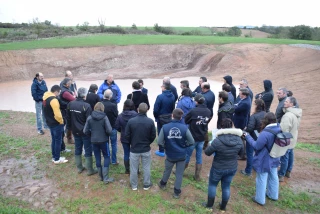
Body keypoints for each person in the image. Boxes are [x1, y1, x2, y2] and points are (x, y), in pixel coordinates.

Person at [203, 118, 244, 211]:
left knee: (212, 185)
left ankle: (209, 206)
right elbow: (242, 154)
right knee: (226, 186)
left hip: (218, 167)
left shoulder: (218, 140)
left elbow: (207, 152)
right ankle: (223, 207)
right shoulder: (239, 139)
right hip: (232, 167)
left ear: (221, 127)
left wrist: (211, 144)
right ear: (232, 126)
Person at [244, 112, 281, 206]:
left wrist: (247, 137)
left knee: (261, 177)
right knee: (273, 175)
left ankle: (260, 199)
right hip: (275, 156)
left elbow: (256, 146)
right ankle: (273, 195)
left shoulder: (265, 133)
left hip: (265, 158)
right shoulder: (279, 128)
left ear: (266, 120)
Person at [157, 108, 195, 199]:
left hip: (170, 154)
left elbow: (159, 141)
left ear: (172, 115)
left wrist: (166, 147)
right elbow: (191, 142)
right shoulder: (185, 128)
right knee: (179, 174)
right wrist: (184, 145)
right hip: (181, 154)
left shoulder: (165, 127)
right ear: (181, 117)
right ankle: (176, 192)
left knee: (167, 170)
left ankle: (163, 184)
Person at [125, 103, 156, 191]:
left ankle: (134, 185)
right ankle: (146, 184)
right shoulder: (150, 121)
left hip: (134, 148)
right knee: (146, 167)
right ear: (147, 110)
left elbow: (127, 135)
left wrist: (132, 142)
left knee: (133, 168)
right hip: (146, 148)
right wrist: (148, 142)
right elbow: (153, 135)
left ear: (138, 109)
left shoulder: (131, 121)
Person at [67, 87, 97, 175]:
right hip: (85, 132)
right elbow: (89, 120)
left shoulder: (70, 104)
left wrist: (69, 129)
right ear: (85, 95)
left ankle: (79, 168)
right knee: (88, 150)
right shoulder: (86, 106)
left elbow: (68, 118)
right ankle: (90, 170)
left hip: (75, 130)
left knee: (77, 148)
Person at [83, 102, 114, 184]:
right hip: (104, 140)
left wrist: (91, 135)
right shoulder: (104, 117)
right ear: (102, 108)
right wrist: (106, 134)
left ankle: (101, 177)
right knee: (107, 156)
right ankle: (106, 178)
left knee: (97, 157)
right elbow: (109, 130)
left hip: (94, 140)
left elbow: (85, 130)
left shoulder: (89, 117)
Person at [185, 94, 212, 181]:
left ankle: (180, 171)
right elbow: (207, 122)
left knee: (187, 155)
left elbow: (186, 120)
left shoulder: (193, 111)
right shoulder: (208, 111)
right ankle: (197, 176)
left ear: (196, 101)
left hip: (192, 136)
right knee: (199, 156)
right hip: (202, 136)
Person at [278, 97, 302, 182]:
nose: (284, 103)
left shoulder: (287, 115)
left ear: (291, 104)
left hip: (287, 139)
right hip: (293, 137)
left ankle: (281, 174)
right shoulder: (297, 113)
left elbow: (284, 129)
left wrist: (282, 140)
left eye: (286, 102)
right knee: (290, 154)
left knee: (284, 157)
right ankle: (288, 171)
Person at [43, 85, 68, 164]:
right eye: (59, 92)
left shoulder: (45, 98)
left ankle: (54, 156)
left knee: (54, 140)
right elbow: (57, 114)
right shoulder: (54, 100)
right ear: (56, 91)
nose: (59, 94)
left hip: (50, 122)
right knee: (58, 141)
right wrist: (61, 121)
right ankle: (57, 159)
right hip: (56, 123)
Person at [240, 99, 266, 176]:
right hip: (263, 137)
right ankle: (258, 167)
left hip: (252, 137)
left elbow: (250, 128)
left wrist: (245, 130)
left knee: (250, 154)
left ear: (256, 106)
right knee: (260, 153)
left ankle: (248, 171)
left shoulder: (254, 116)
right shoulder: (266, 114)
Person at [114, 99, 138, 174]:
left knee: (126, 153)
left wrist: (123, 131)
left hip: (124, 136)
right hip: (134, 137)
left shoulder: (120, 116)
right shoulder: (135, 114)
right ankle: (136, 170)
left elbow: (117, 126)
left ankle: (127, 170)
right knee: (135, 154)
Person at [153, 83, 175, 157]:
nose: (161, 87)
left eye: (162, 86)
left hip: (161, 117)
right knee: (169, 133)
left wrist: (156, 117)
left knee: (161, 133)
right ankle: (169, 149)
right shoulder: (172, 96)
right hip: (169, 117)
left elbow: (156, 109)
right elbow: (173, 107)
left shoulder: (160, 97)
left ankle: (161, 150)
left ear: (164, 88)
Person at [101, 89, 119, 165]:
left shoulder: (100, 104)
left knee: (106, 144)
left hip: (103, 127)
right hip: (112, 127)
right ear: (110, 96)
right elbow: (116, 115)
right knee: (114, 144)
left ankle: (107, 160)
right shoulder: (113, 105)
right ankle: (114, 160)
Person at [59, 78, 76, 145]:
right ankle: (69, 138)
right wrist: (74, 95)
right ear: (66, 84)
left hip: (65, 109)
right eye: (69, 83)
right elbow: (73, 99)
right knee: (69, 125)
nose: (70, 84)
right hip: (65, 110)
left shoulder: (64, 89)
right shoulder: (65, 92)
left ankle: (67, 138)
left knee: (68, 125)